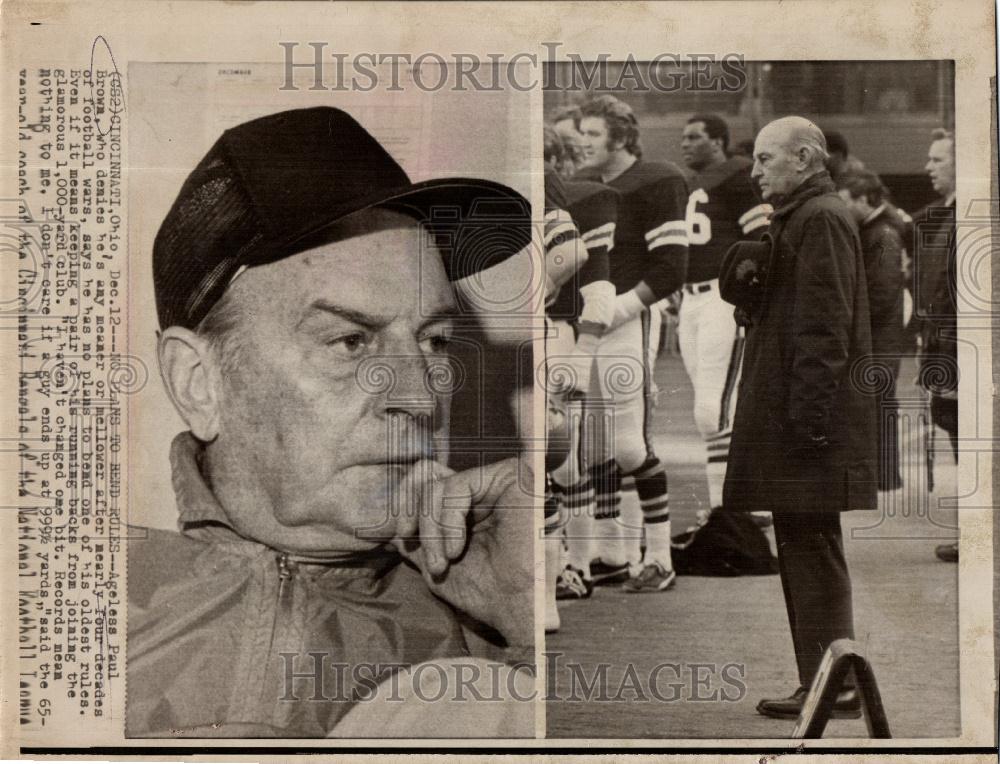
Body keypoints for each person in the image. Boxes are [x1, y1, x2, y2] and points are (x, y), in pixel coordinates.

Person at [127, 107, 535, 736]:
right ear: (198, 382)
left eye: (435, 342)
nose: (422, 402)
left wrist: (522, 619)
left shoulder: (493, 648)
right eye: (351, 341)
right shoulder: (67, 610)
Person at [720, 116, 877, 720]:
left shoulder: (820, 219)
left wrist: (809, 420)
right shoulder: (805, 217)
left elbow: (824, 328)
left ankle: (832, 685)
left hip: (807, 422)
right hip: (798, 416)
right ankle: (825, 680)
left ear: (806, 158)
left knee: (811, 547)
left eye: (765, 159)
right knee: (805, 545)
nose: (755, 171)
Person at [575, 95, 689, 592]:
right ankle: (613, 550)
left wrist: (615, 311)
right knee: (592, 445)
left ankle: (660, 556)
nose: (583, 143)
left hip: (627, 317)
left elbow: (671, 268)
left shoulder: (656, 179)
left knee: (626, 444)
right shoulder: (586, 188)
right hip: (587, 321)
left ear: (620, 137)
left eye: (593, 135)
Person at [837, 169, 908, 493]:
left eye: (846, 201)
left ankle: (882, 475)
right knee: (878, 398)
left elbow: (881, 292)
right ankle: (883, 475)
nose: (843, 209)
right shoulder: (883, 228)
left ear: (865, 200)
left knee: (876, 399)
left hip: (880, 333)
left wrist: (853, 321)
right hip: (884, 330)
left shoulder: (882, 234)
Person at [909, 128, 959, 563]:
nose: (928, 167)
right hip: (942, 344)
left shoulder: (970, 215)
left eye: (937, 160)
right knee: (954, 427)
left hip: (959, 345)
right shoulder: (940, 215)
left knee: (969, 433)